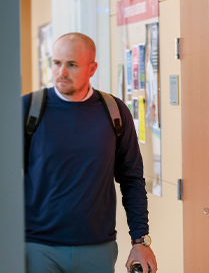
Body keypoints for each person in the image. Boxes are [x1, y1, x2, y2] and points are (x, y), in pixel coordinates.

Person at [23, 32, 157, 273]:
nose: (61, 72)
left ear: (92, 68)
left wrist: (140, 241)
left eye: (72, 64)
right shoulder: (28, 109)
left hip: (97, 248)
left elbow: (132, 180)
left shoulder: (114, 112)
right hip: (38, 248)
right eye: (57, 63)